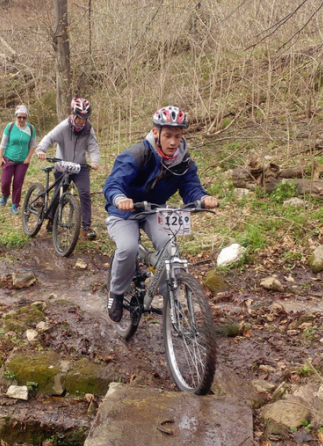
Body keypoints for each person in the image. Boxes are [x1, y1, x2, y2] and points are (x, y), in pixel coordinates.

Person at [103, 106, 217, 322]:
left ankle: (170, 297)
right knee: (127, 248)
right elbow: (113, 183)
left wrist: (202, 198)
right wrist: (119, 198)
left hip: (155, 209)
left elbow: (191, 188)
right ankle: (116, 293)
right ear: (156, 133)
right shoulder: (138, 154)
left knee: (168, 247)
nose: (173, 142)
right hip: (124, 211)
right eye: (167, 136)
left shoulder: (183, 161)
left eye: (177, 136)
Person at [35, 97, 100, 240]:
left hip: (80, 167)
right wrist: (41, 149)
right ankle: (52, 219)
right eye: (79, 118)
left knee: (84, 194)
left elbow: (93, 147)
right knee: (58, 193)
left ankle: (86, 227)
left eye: (85, 118)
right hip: (63, 165)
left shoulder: (88, 129)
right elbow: (49, 138)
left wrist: (94, 161)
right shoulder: (63, 127)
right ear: (73, 114)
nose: (82, 121)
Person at [0, 104, 37, 214]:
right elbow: (3, 143)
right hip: (8, 158)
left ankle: (15, 204)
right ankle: (5, 195)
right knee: (5, 182)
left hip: (22, 161)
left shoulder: (31, 128)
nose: (21, 119)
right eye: (19, 117)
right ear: (16, 116)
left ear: (26, 117)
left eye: (24, 117)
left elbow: (33, 144)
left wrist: (29, 157)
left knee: (18, 183)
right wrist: (0, 157)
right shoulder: (10, 127)